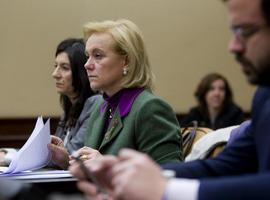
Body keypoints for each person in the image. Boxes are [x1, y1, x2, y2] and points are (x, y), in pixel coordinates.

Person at [69, 0, 270, 199]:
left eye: (246, 31)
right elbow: (226, 165)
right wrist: (117, 172)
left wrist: (165, 189)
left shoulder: (149, 107)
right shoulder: (264, 96)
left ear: (126, 60)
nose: (233, 46)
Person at [52, 19, 182, 169]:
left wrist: (110, 167)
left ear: (126, 61)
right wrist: (66, 161)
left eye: (98, 56)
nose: (87, 65)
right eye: (88, 56)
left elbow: (168, 176)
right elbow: (92, 171)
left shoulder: (150, 108)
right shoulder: (99, 107)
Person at [48, 38, 96, 169]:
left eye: (64, 68)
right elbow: (55, 151)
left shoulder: (95, 104)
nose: (55, 74)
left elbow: (68, 154)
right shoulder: (69, 107)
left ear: (81, 72)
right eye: (55, 66)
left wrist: (9, 157)